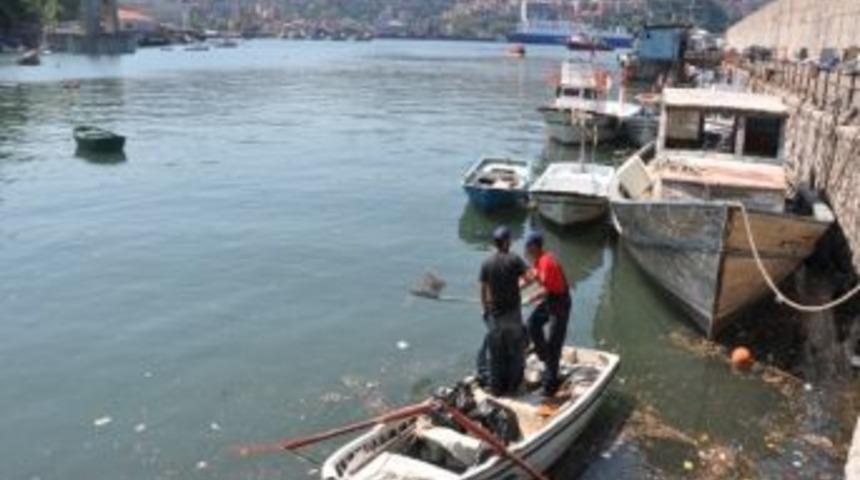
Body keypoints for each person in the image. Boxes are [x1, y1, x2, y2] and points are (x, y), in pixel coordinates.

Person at [477, 226, 529, 396]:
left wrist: (485, 309)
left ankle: (497, 389)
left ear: (495, 243)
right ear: (507, 242)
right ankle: (514, 387)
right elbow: (530, 278)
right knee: (516, 352)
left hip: (494, 316)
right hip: (512, 314)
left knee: (496, 354)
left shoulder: (486, 263)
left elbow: (483, 290)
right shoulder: (515, 259)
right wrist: (519, 286)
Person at [522, 231, 572, 397]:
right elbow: (530, 278)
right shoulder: (539, 260)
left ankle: (550, 385)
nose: (526, 250)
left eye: (528, 247)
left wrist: (530, 298)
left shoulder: (547, 262)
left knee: (554, 343)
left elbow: (545, 289)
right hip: (550, 300)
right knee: (532, 324)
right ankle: (545, 356)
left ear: (535, 247)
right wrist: (514, 291)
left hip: (560, 303)